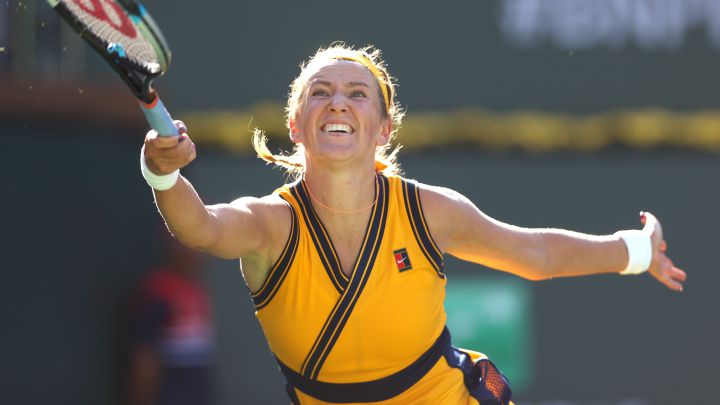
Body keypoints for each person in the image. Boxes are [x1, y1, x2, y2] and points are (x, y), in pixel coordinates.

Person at [139, 44, 686, 405]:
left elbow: (535, 256)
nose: (338, 103)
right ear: (296, 124)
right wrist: (162, 174)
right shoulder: (270, 222)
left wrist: (636, 249)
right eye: (320, 92)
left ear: (382, 129)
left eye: (358, 94)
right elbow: (202, 228)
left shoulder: (427, 210)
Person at [126, 238, 214, 405]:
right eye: (191, 248)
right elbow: (144, 357)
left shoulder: (198, 290)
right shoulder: (158, 291)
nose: (198, 255)